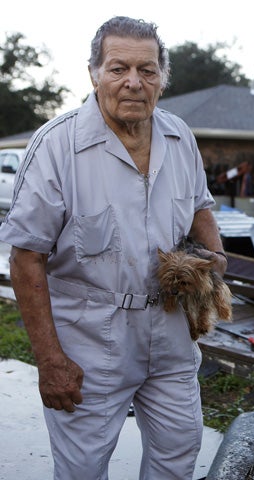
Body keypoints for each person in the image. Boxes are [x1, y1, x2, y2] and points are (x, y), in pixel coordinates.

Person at [0, 16, 227, 479]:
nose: (133, 82)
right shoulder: (57, 146)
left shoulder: (179, 136)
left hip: (170, 331)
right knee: (83, 468)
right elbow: (26, 259)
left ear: (162, 78)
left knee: (179, 454)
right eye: (118, 67)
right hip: (88, 338)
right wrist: (49, 361)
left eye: (147, 70)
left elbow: (201, 205)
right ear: (93, 73)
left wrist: (215, 261)